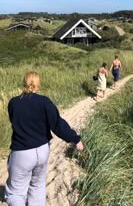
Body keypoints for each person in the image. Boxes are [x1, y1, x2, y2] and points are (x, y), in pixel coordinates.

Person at [5, 71, 83, 206]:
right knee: (37, 186)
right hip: (42, 150)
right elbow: (58, 125)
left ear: (24, 83)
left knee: (15, 193)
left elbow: (14, 121)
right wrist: (75, 139)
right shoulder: (44, 102)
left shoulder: (13, 103)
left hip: (22, 152)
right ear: (38, 85)